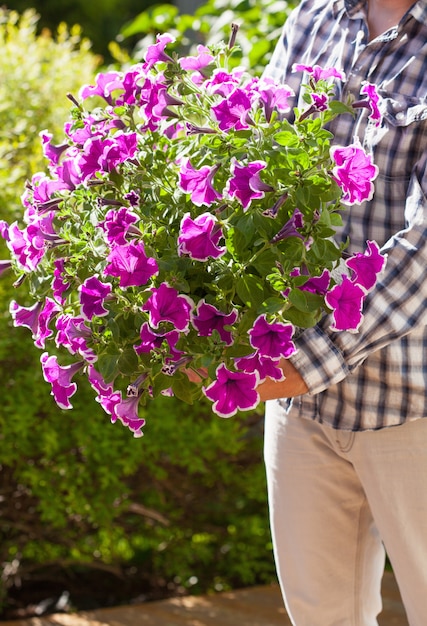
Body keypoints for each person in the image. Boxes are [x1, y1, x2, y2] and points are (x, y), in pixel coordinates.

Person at [257, 0, 427, 624]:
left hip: (412, 403)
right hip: (303, 406)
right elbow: (253, 162)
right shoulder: (316, 16)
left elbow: (422, 252)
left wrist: (308, 362)